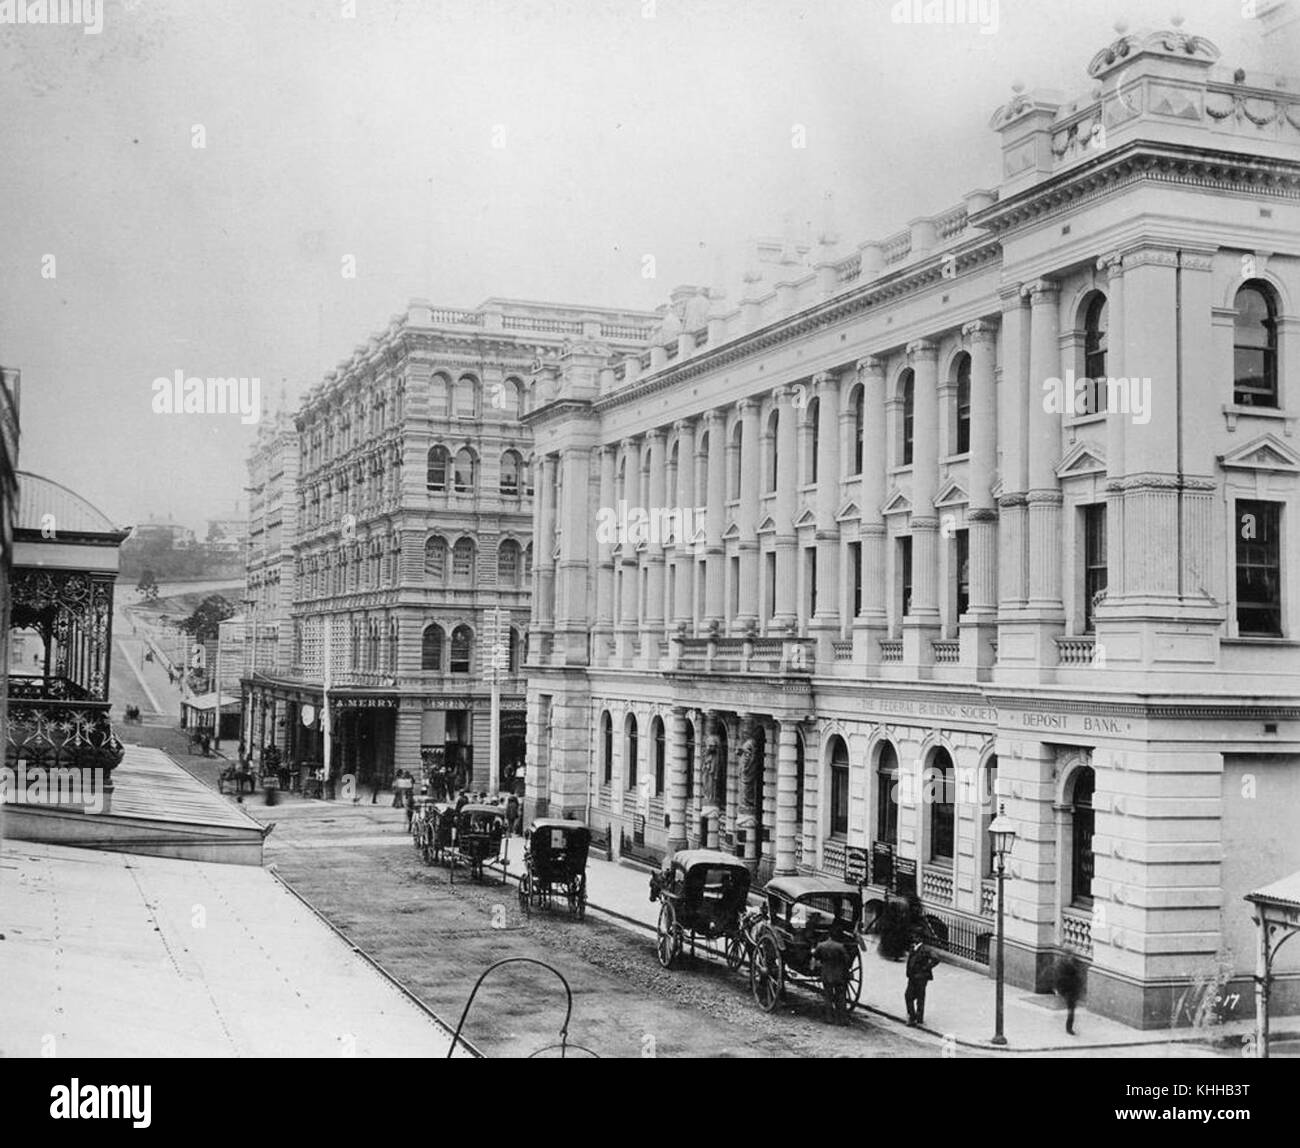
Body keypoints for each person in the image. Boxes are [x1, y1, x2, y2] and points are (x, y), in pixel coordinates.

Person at [814, 928, 851, 1025]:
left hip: (826, 974)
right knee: (841, 997)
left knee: (828, 996)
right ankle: (842, 1019)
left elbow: (815, 957)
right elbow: (847, 960)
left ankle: (829, 1018)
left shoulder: (821, 946)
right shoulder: (840, 947)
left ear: (828, 935)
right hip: (839, 975)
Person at [904, 938, 939, 1027]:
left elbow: (936, 959)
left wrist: (926, 968)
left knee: (920, 998)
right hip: (912, 976)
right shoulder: (913, 948)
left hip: (921, 977)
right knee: (908, 996)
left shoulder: (925, 949)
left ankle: (918, 1018)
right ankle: (912, 1016)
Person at [1054, 951, 1086, 1035]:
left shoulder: (1065, 967)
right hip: (1069, 992)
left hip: (1070, 991)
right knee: (1071, 1010)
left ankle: (1069, 1028)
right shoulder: (1070, 969)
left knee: (1071, 1010)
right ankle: (1069, 1028)